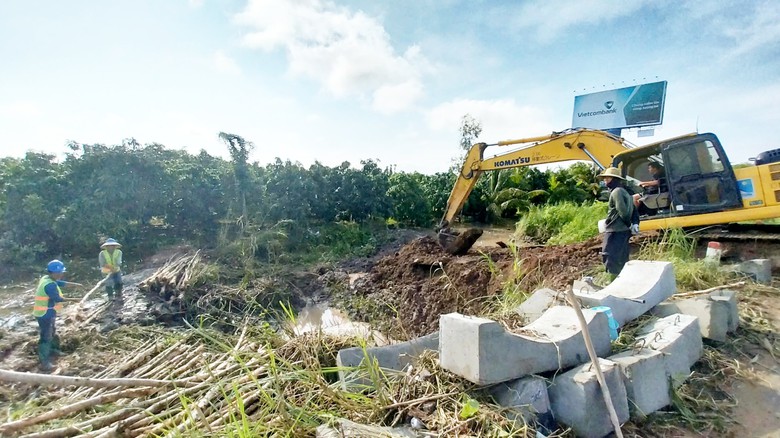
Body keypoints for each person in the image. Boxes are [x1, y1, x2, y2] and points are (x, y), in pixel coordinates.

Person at [597, 167, 638, 278]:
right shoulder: (626, 192)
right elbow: (634, 210)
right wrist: (634, 224)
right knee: (622, 257)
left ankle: (613, 284)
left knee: (609, 256)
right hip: (623, 231)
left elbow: (622, 211)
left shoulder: (616, 192)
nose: (605, 181)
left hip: (615, 230)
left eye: (607, 179)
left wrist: (628, 223)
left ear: (614, 179)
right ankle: (624, 281)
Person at [32, 260, 71, 371]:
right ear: (53, 273)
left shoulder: (46, 278)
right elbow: (57, 298)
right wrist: (72, 299)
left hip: (48, 312)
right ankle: (44, 361)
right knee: (46, 336)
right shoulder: (49, 285)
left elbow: (56, 282)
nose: (61, 275)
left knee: (52, 330)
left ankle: (54, 350)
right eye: (59, 273)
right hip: (45, 314)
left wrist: (63, 283)